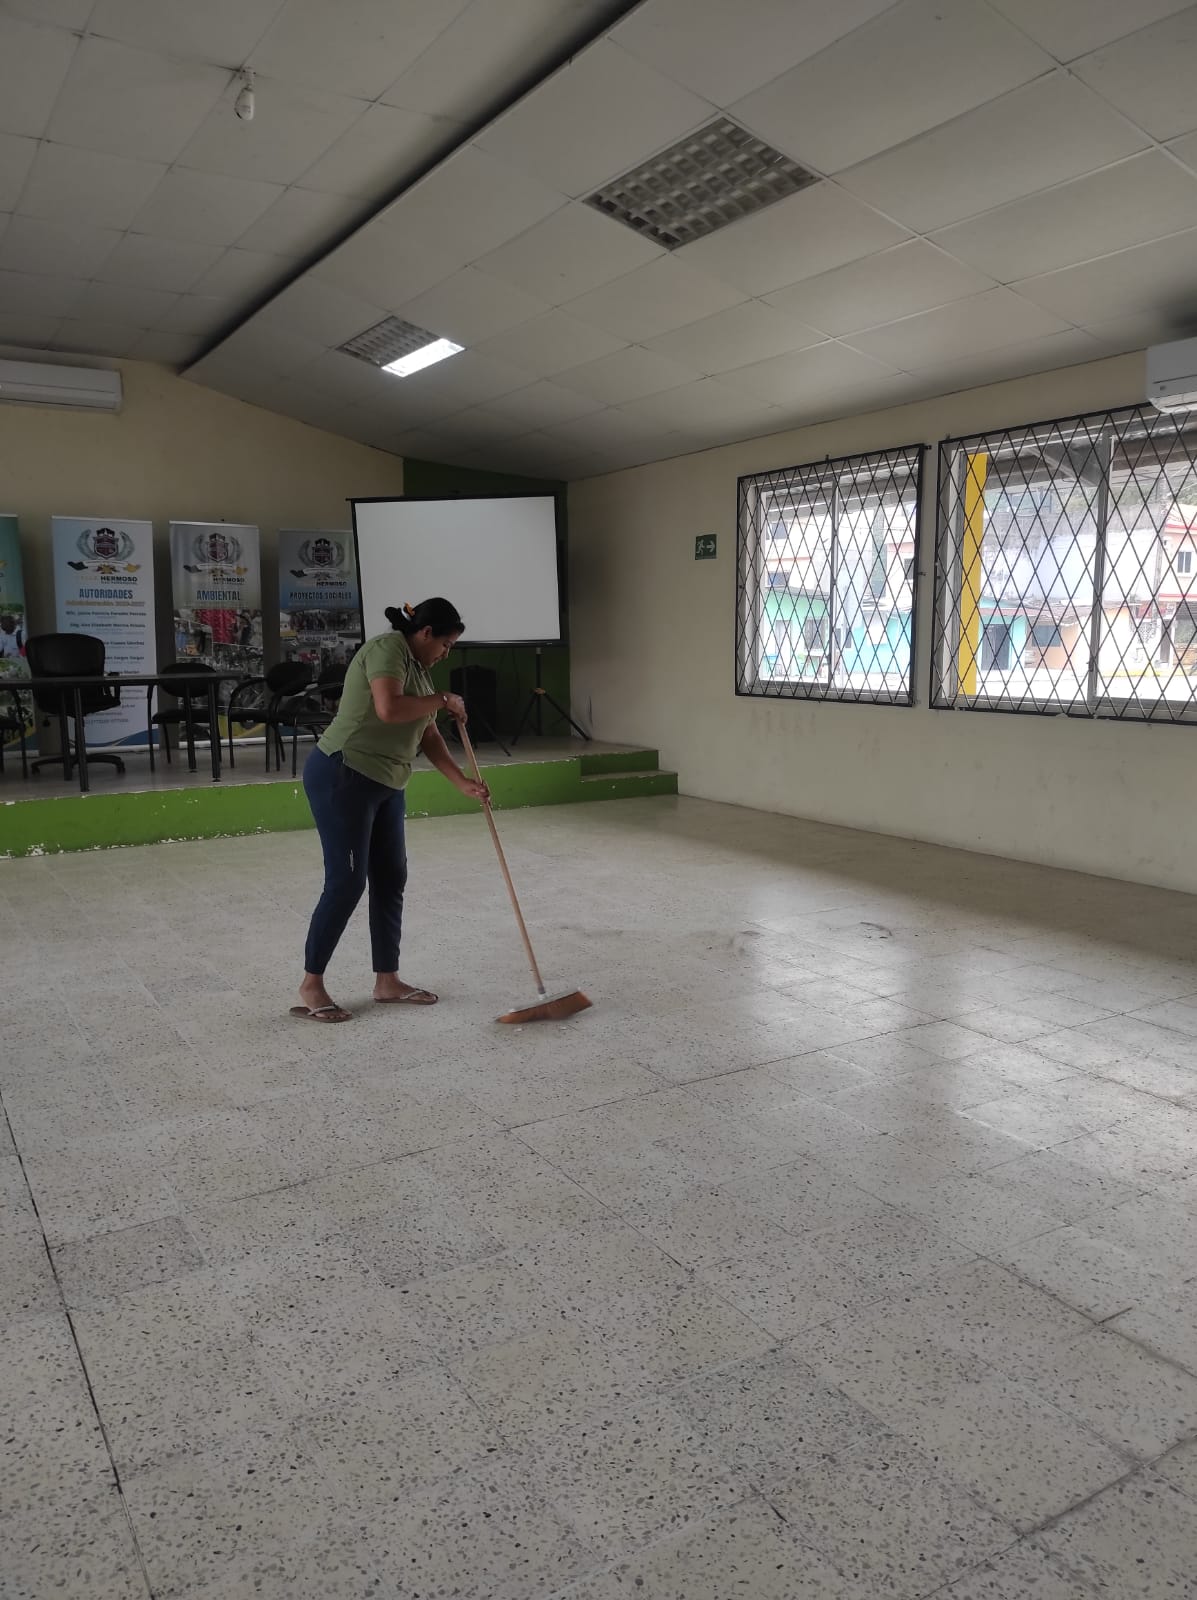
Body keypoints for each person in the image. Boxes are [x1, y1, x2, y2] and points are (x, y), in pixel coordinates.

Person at [293, 597, 489, 1023]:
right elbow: (389, 708)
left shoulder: (419, 668)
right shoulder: (388, 650)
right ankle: (311, 984)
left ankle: (387, 980)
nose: (445, 654)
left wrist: (461, 782)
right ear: (425, 633)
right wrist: (441, 698)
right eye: (446, 644)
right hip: (344, 774)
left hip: (387, 782)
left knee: (390, 877)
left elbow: (427, 732)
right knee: (346, 882)